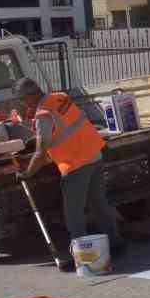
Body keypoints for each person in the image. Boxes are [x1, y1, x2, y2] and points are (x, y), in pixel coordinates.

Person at [16, 77, 123, 268]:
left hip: (75, 165)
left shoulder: (43, 114)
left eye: (23, 100)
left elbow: (41, 151)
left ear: (30, 96)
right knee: (100, 204)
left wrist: (27, 173)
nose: (24, 104)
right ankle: (116, 244)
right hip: (94, 154)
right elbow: (68, 126)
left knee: (74, 214)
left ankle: (83, 258)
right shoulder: (60, 98)